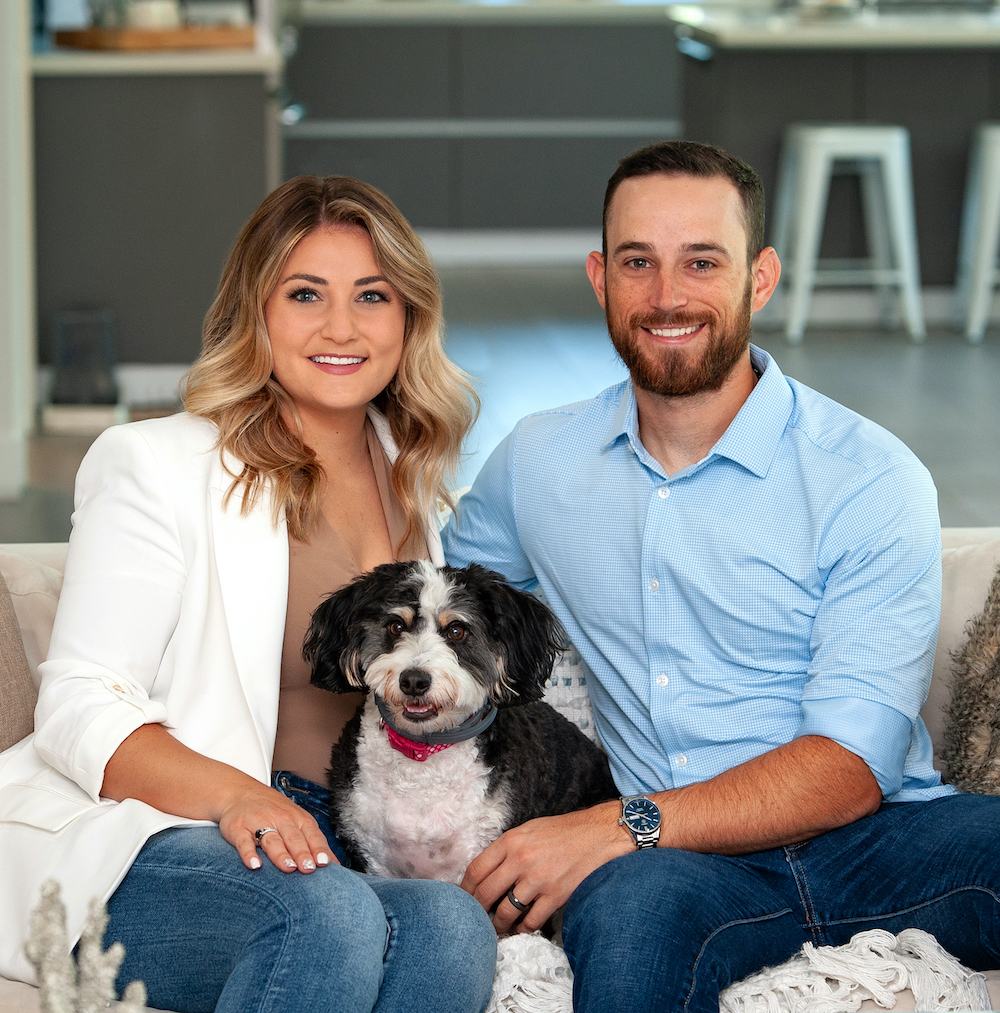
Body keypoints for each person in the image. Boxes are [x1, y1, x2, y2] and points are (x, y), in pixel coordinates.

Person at [444, 140, 1000, 1012]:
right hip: (677, 873)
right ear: (600, 278)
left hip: (882, 840)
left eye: (702, 261)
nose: (668, 296)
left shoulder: (868, 476)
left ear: (760, 278)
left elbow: (850, 768)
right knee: (626, 930)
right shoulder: (538, 464)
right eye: (638, 262)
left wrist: (618, 823)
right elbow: (428, 598)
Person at [0, 175, 497, 1013]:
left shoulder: (409, 479)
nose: (341, 327)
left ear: (408, 316)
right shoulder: (157, 464)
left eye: (371, 295)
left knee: (451, 927)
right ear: (255, 311)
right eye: (305, 294)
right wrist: (240, 797)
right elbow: (80, 703)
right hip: (157, 837)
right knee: (324, 913)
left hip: (325, 840)